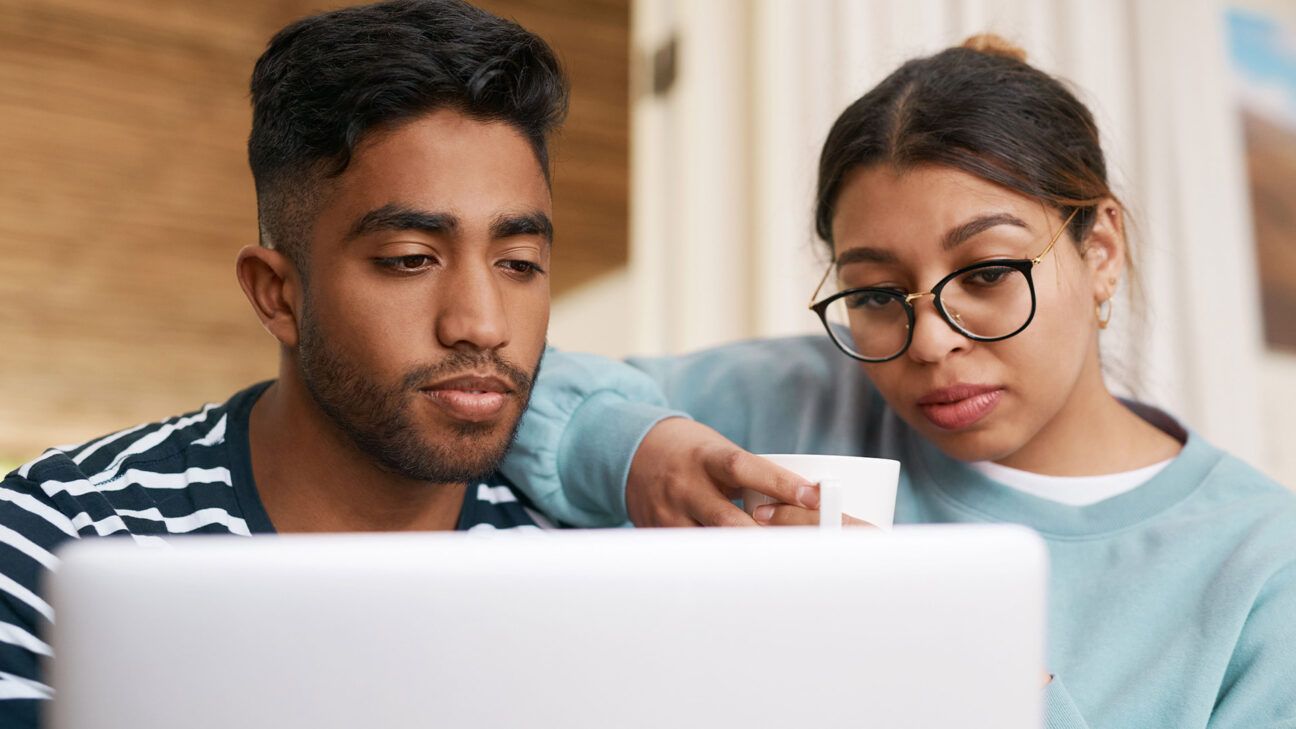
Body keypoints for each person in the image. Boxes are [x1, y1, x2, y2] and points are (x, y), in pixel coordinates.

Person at [500, 36, 1296, 728]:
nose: (932, 341)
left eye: (986, 272)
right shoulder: (794, 399)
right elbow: (502, 387)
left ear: (1101, 252)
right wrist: (643, 452)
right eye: (878, 295)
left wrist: (946, 642)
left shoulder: (1264, 567)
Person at [0, 0, 568, 723]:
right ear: (278, 294)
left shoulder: (596, 547)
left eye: (519, 263)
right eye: (410, 259)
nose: (483, 324)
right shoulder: (58, 546)